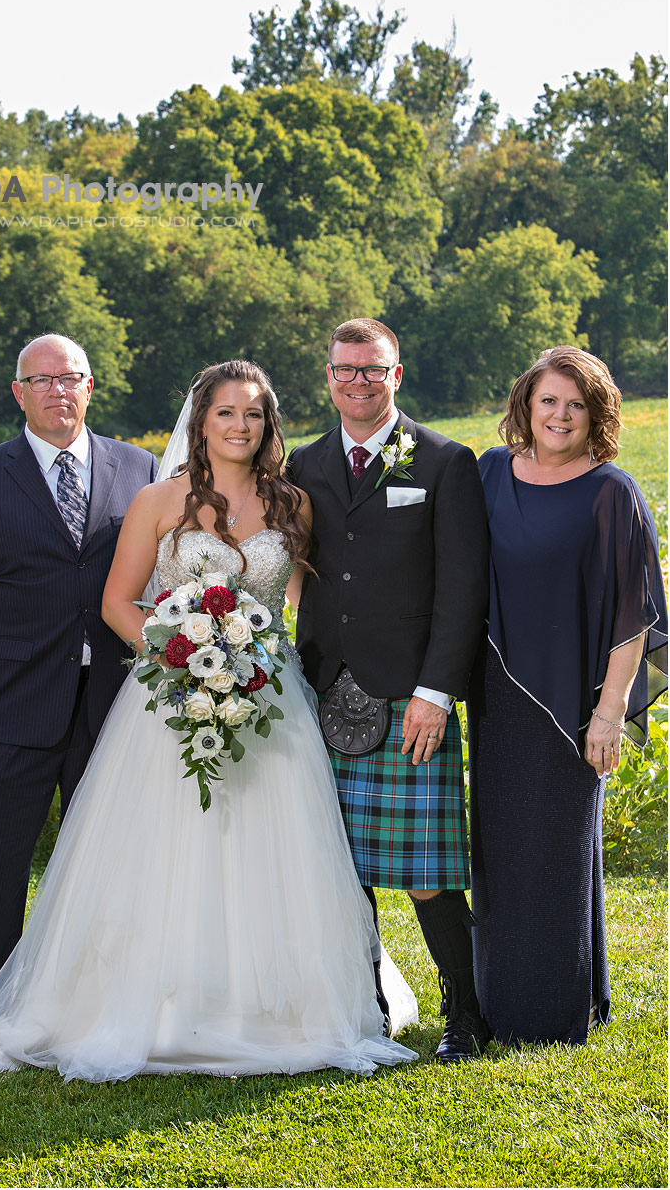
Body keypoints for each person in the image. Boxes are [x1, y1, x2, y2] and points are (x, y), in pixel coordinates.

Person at [0, 359, 419, 1080]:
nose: (241, 427)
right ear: (200, 421)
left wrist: (260, 661)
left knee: (273, 849)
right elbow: (119, 602)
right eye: (226, 414)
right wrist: (183, 656)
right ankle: (152, 1003)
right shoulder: (157, 500)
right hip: (169, 704)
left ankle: (279, 1009)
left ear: (268, 425)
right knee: (166, 851)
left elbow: (303, 603)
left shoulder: (292, 504)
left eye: (255, 415)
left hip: (274, 706)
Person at [0, 333, 158, 1059]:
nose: (60, 392)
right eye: (43, 381)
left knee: (110, 867)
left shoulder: (139, 468)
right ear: (18, 393)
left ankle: (96, 1008)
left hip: (114, 709)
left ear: (91, 387)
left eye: (72, 379)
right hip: (13, 705)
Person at [286, 318, 490, 1063]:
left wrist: (437, 691)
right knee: (341, 870)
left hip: (410, 696)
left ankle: (465, 1013)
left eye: (372, 369)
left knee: (429, 876)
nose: (357, 381)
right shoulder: (303, 465)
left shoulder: (442, 461)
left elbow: (462, 589)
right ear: (328, 377)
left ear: (395, 375)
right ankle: (364, 1004)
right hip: (317, 694)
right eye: (345, 369)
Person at [466, 345, 668, 1046]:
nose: (559, 415)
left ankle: (551, 1013)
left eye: (574, 405)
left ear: (595, 416)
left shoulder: (611, 492)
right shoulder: (489, 472)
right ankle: (496, 1004)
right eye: (548, 400)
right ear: (525, 403)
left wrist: (609, 714)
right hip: (496, 695)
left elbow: (631, 616)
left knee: (557, 848)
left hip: (574, 700)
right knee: (499, 849)